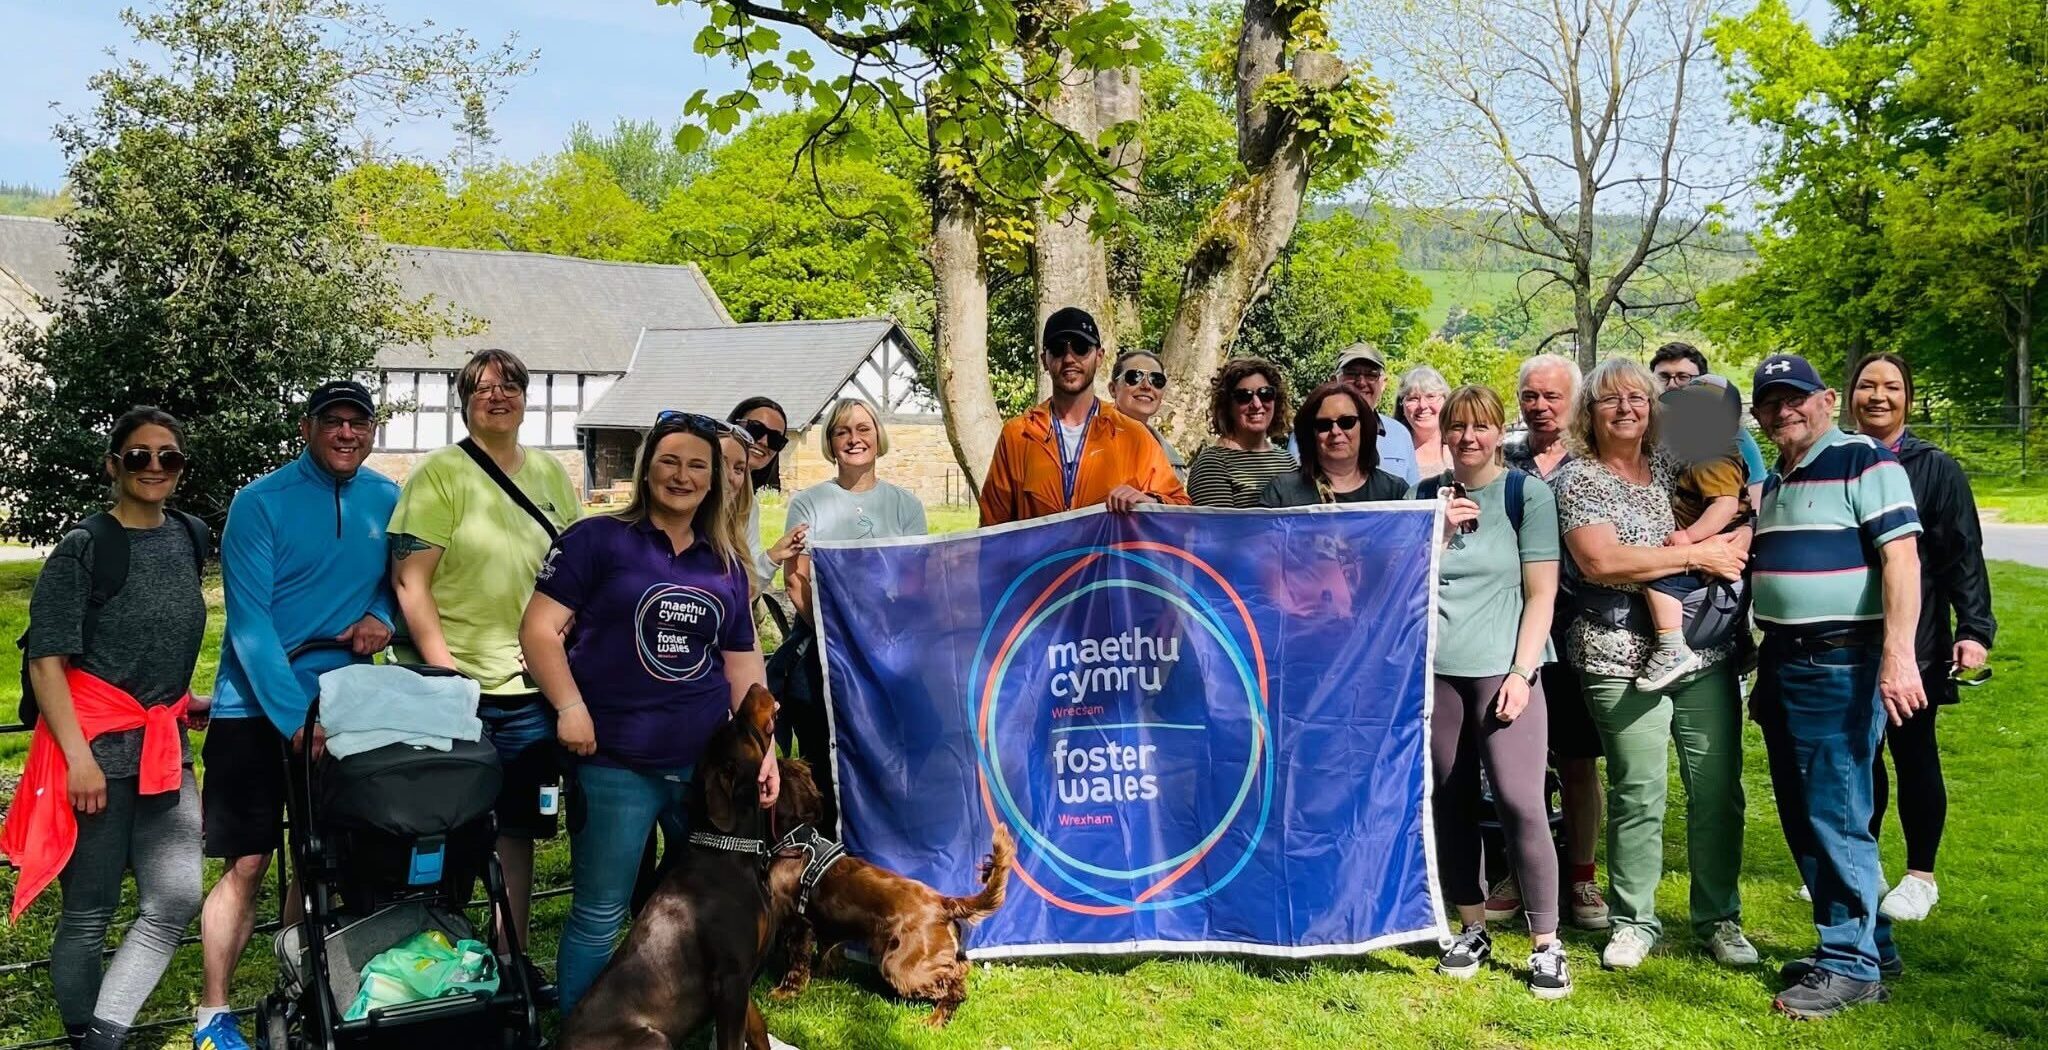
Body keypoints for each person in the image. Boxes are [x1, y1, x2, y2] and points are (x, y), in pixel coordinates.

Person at [519, 409, 779, 1015]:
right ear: (646, 470)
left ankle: (688, 1018)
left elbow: (743, 665)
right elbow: (538, 631)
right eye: (669, 461)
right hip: (614, 764)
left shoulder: (726, 565)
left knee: (712, 904)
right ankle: (583, 1032)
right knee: (600, 912)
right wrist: (570, 707)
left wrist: (764, 748)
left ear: (716, 480)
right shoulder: (595, 541)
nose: (682, 476)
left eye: (697, 465)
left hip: (705, 770)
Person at [193, 382, 400, 1050]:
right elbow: (250, 627)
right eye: (333, 422)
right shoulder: (259, 504)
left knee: (328, 859)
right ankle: (212, 1015)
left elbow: (397, 583)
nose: (347, 433)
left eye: (358, 422)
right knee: (248, 863)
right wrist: (292, 718)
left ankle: (299, 983)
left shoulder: (385, 499)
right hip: (253, 709)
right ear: (307, 428)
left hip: (343, 702)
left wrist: (382, 617)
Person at [9, 408, 206, 1050]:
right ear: (113, 465)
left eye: (168, 457)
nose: (155, 467)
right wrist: (76, 759)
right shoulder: (84, 547)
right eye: (140, 456)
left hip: (161, 748)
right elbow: (47, 661)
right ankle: (86, 1038)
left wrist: (180, 698)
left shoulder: (191, 536)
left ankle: (102, 1034)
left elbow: (164, 636)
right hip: (93, 751)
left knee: (175, 898)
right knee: (88, 912)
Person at [1551, 357, 1756, 972]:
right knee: (1640, 791)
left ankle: (1719, 918)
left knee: (1718, 791)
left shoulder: (1676, 462)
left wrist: (1728, 546)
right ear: (1589, 413)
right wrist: (1700, 559)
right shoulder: (1578, 479)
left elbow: (1741, 508)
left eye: (1637, 398)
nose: (1626, 409)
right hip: (1617, 656)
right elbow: (1602, 563)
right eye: (1610, 400)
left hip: (1706, 650)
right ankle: (1633, 920)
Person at [1749, 352, 1927, 1019]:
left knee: (1836, 812)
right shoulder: (1776, 479)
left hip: (1842, 662)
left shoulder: (1864, 461)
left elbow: (1902, 561)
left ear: (1827, 399)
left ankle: (1848, 965)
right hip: (1785, 662)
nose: (1783, 410)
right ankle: (1868, 946)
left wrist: (1898, 656)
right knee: (1807, 813)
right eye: (1770, 402)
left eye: (1795, 397)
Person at [388, 348, 581, 962]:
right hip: (459, 686)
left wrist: (559, 645)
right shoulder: (439, 475)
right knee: (444, 831)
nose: (499, 397)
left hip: (529, 690)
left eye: (511, 387)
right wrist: (444, 670)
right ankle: (434, 961)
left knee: (518, 829)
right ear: (464, 402)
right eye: (484, 389)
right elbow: (409, 581)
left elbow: (575, 569)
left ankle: (509, 957)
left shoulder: (551, 475)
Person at [1419, 386, 1571, 999]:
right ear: (1444, 432)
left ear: (1496, 431)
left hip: (1505, 668)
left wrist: (1521, 673)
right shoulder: (1423, 497)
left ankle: (1546, 942)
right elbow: (1400, 580)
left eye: (1481, 427)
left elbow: (1542, 592)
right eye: (1457, 427)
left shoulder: (1524, 494)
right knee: (1450, 796)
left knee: (1519, 800)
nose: (1468, 438)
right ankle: (1472, 926)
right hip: (1439, 673)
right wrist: (1433, 532)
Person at [1847, 352, 1994, 922]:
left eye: (1891, 387)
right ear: (1850, 394)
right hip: (1850, 636)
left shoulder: (1936, 467)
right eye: (1866, 386)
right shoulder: (1836, 459)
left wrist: (1974, 630)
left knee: (1912, 752)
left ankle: (1920, 875)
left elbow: (1963, 554)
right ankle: (1863, 864)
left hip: (1919, 637)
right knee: (1859, 756)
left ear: (1908, 397)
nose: (1878, 397)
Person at [781, 398, 929, 828]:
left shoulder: (906, 506)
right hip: (823, 649)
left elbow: (915, 583)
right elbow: (796, 580)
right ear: (830, 443)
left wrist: (880, 644)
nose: (854, 439)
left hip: (890, 652)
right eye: (842, 431)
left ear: (878, 437)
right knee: (824, 755)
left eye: (863, 429)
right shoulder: (808, 503)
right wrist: (839, 640)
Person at [1499, 353, 1608, 932]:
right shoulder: (1500, 458)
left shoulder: (1595, 458)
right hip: (1510, 636)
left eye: (1552, 397)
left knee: (1578, 761)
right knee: (1520, 767)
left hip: (1578, 636)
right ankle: (1522, 870)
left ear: (1575, 400)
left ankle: (1583, 876)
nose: (1540, 407)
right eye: (1530, 396)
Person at [978, 306, 1190, 524]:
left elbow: (1182, 509)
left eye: (1080, 348)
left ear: (1099, 357)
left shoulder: (1133, 435)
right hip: (1043, 559)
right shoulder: (1018, 435)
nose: (1069, 358)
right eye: (1058, 349)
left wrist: (1150, 501)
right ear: (1044, 360)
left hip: (1108, 559)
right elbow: (992, 529)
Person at [1635, 376, 1752, 692]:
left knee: (1657, 580)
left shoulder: (1713, 456)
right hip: (1719, 545)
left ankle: (1671, 645)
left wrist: (1689, 537)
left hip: (1715, 543)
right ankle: (1743, 643)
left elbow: (1724, 506)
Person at [1648, 341, 1768, 504]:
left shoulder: (1733, 437)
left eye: (1683, 377)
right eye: (1663, 377)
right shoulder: (1640, 431)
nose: (1671, 385)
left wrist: (1747, 527)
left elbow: (1756, 498)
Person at [1259, 383, 1409, 506]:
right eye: (1323, 424)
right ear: (1310, 434)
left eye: (1347, 422)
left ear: (1364, 427)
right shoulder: (1282, 493)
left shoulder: (1394, 492)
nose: (1335, 431)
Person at [1186, 358, 1296, 508]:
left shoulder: (1288, 461)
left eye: (1266, 394)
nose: (1257, 404)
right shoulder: (1212, 463)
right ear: (1227, 405)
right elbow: (1220, 528)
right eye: (1244, 396)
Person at [726, 396, 804, 594]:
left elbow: (747, 584)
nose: (763, 441)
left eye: (776, 439)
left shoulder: (747, 504)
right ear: (732, 427)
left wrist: (773, 556)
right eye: (755, 429)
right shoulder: (698, 485)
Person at [1333, 342, 1421, 486]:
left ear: (1384, 383)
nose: (1361, 382)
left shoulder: (1399, 434)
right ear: (1333, 381)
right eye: (1351, 373)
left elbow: (1413, 497)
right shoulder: (1312, 432)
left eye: (1371, 374)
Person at [1110, 350, 1186, 479]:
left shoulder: (1170, 460)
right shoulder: (1082, 438)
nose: (1146, 386)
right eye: (1134, 377)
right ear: (1113, 389)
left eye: (1156, 380)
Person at [1396, 365, 1451, 477]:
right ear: (1401, 406)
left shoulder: (1462, 446)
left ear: (1446, 401)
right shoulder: (1393, 450)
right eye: (1413, 398)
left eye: (1430, 396)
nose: (1422, 405)